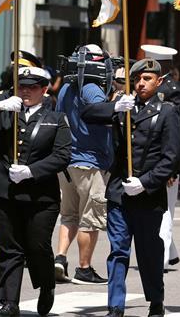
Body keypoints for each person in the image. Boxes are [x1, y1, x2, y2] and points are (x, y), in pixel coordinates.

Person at [81, 58, 180, 317]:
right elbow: (87, 114)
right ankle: (116, 305)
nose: (141, 83)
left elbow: (171, 157)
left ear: (159, 81)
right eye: (137, 79)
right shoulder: (125, 106)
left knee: (149, 252)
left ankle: (156, 300)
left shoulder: (166, 111)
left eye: (147, 79)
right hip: (120, 191)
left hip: (148, 194)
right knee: (118, 250)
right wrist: (115, 106)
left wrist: (146, 182)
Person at [0, 63, 72, 317]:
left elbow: (62, 156)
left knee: (37, 246)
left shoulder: (56, 119)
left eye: (32, 87)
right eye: (22, 87)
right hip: (4, 190)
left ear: (44, 90)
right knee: (8, 247)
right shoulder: (8, 110)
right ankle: (9, 302)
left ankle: (46, 284)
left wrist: (32, 171)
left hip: (41, 194)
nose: (26, 91)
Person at [53, 44, 113, 285]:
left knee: (69, 215)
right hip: (91, 161)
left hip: (68, 162)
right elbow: (103, 114)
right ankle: (84, 268)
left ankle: (60, 258)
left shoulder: (65, 88)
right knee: (90, 218)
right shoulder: (91, 88)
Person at [141, 44, 180, 271]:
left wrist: (173, 166)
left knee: (165, 211)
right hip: (151, 160)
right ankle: (169, 252)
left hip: (166, 162)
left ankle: (159, 257)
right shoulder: (150, 89)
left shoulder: (172, 91)